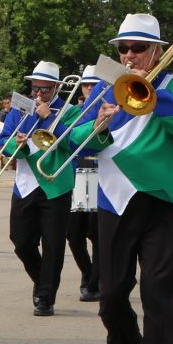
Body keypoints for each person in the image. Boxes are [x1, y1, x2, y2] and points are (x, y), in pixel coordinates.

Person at [61, 14, 173, 344]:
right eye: (124, 48)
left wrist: (153, 93)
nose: (130, 55)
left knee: (161, 295)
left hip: (162, 202)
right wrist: (99, 125)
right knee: (112, 296)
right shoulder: (105, 87)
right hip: (114, 200)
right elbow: (75, 140)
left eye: (138, 48)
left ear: (157, 50)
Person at [0, 61, 74, 317]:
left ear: (56, 88)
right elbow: (3, 139)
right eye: (35, 89)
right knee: (20, 241)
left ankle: (45, 297)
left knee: (53, 244)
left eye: (45, 90)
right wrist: (15, 145)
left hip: (55, 184)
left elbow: (71, 142)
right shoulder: (19, 109)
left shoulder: (70, 110)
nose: (38, 95)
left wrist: (48, 116)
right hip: (25, 184)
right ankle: (43, 282)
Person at [63, 69, 104, 303]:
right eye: (87, 85)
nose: (90, 89)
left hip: (100, 176)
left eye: (94, 85)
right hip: (77, 176)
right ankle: (88, 274)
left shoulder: (111, 111)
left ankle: (94, 281)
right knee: (73, 233)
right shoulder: (75, 113)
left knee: (98, 234)